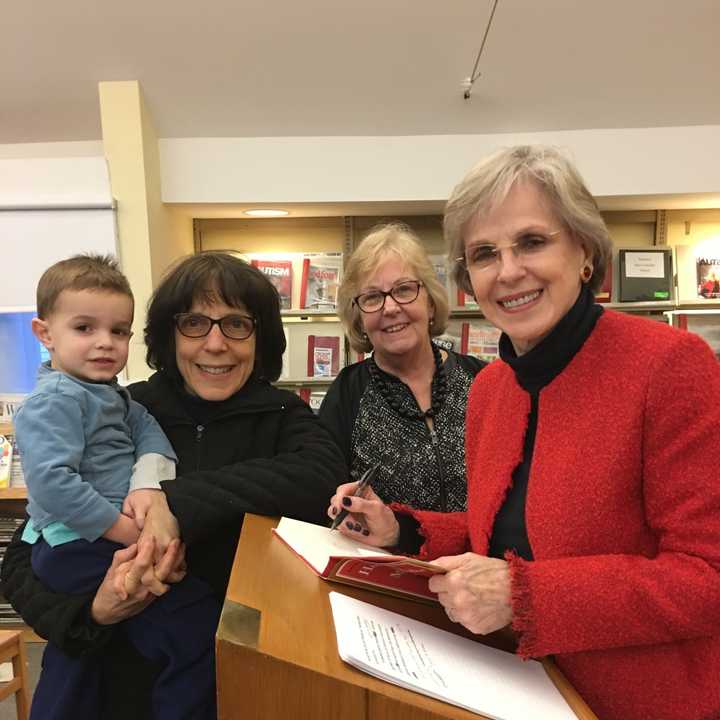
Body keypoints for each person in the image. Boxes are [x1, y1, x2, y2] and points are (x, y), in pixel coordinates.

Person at [332, 147, 720, 720]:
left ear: (585, 251)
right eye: (485, 254)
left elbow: (705, 578)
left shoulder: (669, 365)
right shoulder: (493, 390)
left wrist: (522, 596)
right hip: (519, 690)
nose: (508, 271)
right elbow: (502, 534)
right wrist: (404, 530)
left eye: (532, 242)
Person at [1, 251, 345, 719]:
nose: (216, 344)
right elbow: (24, 552)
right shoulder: (125, 405)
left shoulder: (284, 417)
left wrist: (172, 502)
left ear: (261, 337)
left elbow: (321, 477)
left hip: (226, 682)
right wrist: (89, 614)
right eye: (195, 324)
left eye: (237, 324)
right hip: (103, 677)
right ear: (169, 333)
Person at [15, 254, 219, 720]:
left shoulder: (112, 394)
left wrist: (150, 486)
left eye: (119, 331)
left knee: (157, 633)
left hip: (102, 539)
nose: (105, 343)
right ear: (45, 334)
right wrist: (129, 533)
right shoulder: (55, 401)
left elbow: (148, 429)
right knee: (193, 623)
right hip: (77, 544)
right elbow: (51, 484)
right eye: (84, 328)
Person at [319, 223, 484, 538]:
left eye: (404, 290)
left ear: (431, 302)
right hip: (387, 576)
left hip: (485, 573)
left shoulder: (483, 380)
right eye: (371, 297)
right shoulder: (348, 392)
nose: (391, 308)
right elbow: (327, 500)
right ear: (360, 319)